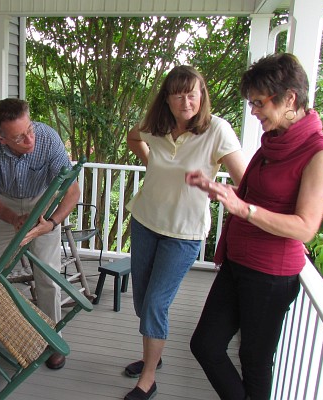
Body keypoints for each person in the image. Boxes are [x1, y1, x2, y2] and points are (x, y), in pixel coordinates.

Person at [186, 53, 323, 400]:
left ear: (290, 99)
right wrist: (221, 191)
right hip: (238, 263)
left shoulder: (319, 153)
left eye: (259, 103)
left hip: (270, 275)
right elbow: (257, 198)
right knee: (205, 345)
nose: (253, 111)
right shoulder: (272, 143)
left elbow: (304, 227)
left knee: (254, 361)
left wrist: (243, 208)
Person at [124, 65, 246, 400]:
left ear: (202, 95)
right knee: (141, 301)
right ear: (167, 98)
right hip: (146, 222)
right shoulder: (156, 126)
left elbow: (245, 181)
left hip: (184, 235)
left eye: (192, 93)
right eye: (177, 93)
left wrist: (217, 189)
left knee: (155, 305)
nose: (185, 100)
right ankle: (155, 356)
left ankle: (148, 378)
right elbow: (133, 138)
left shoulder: (217, 130)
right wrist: (152, 162)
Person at [0, 98, 80, 370]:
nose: (29, 139)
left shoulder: (47, 137)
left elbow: (72, 190)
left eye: (30, 130)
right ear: (2, 139)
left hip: (42, 201)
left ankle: (52, 338)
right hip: (4, 203)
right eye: (19, 137)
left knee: (47, 272)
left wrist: (53, 222)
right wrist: (13, 219)